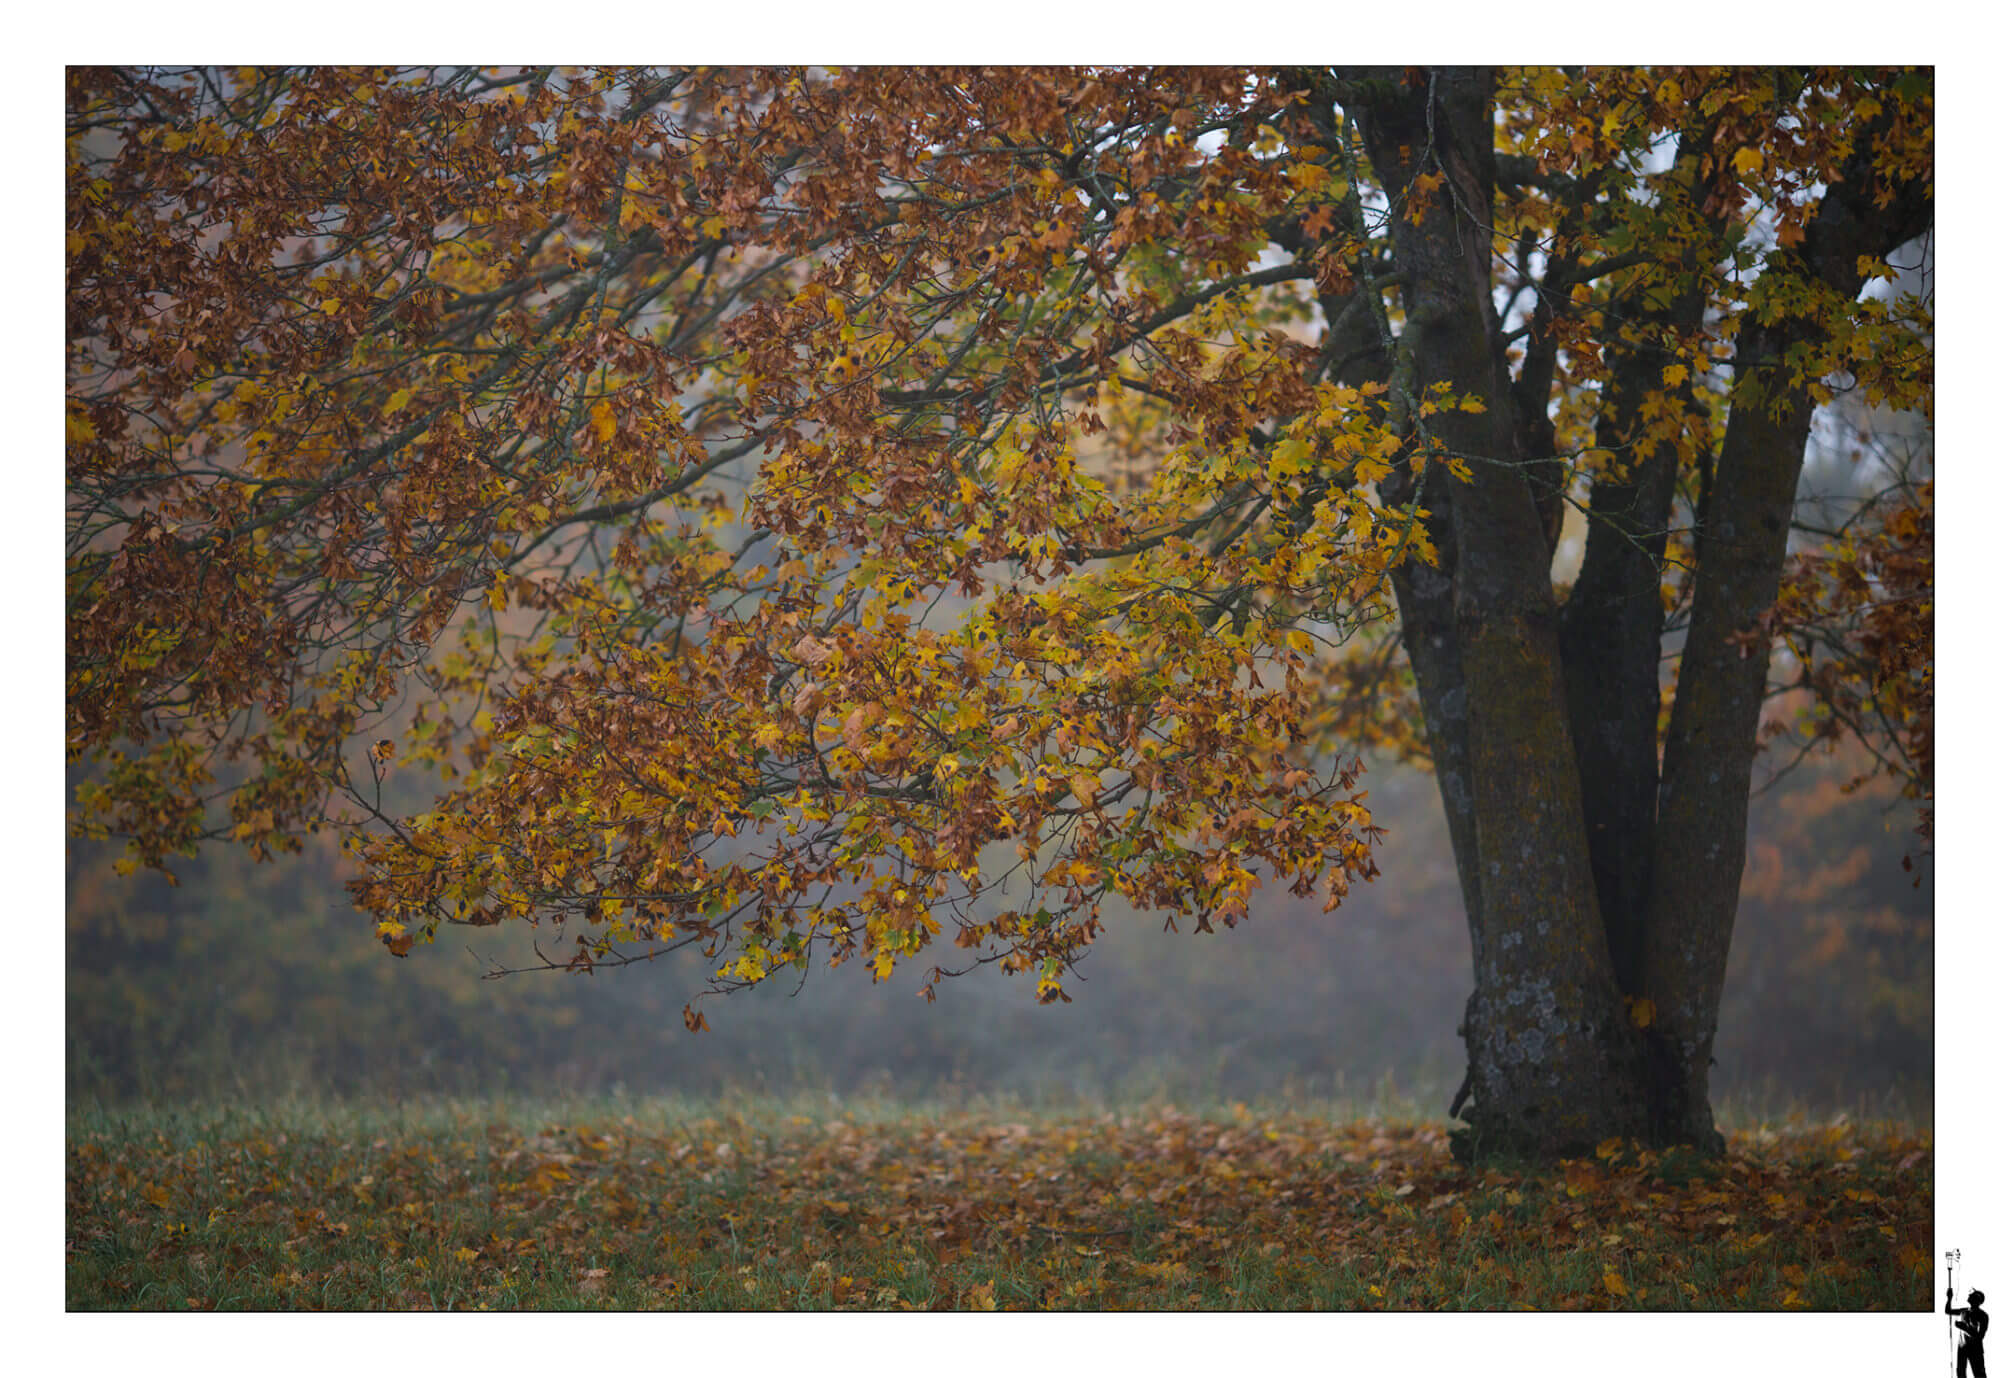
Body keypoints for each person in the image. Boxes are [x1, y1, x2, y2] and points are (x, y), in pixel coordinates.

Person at [1948, 1287, 1989, 1378]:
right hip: (1962, 1348)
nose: (1969, 1295)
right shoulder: (1964, 1311)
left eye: (1972, 1295)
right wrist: (1949, 1298)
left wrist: (1964, 1328)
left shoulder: (1983, 1315)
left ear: (1977, 1300)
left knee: (1979, 1374)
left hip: (1975, 1349)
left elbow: (1979, 1337)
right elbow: (1948, 1311)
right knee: (1961, 1373)